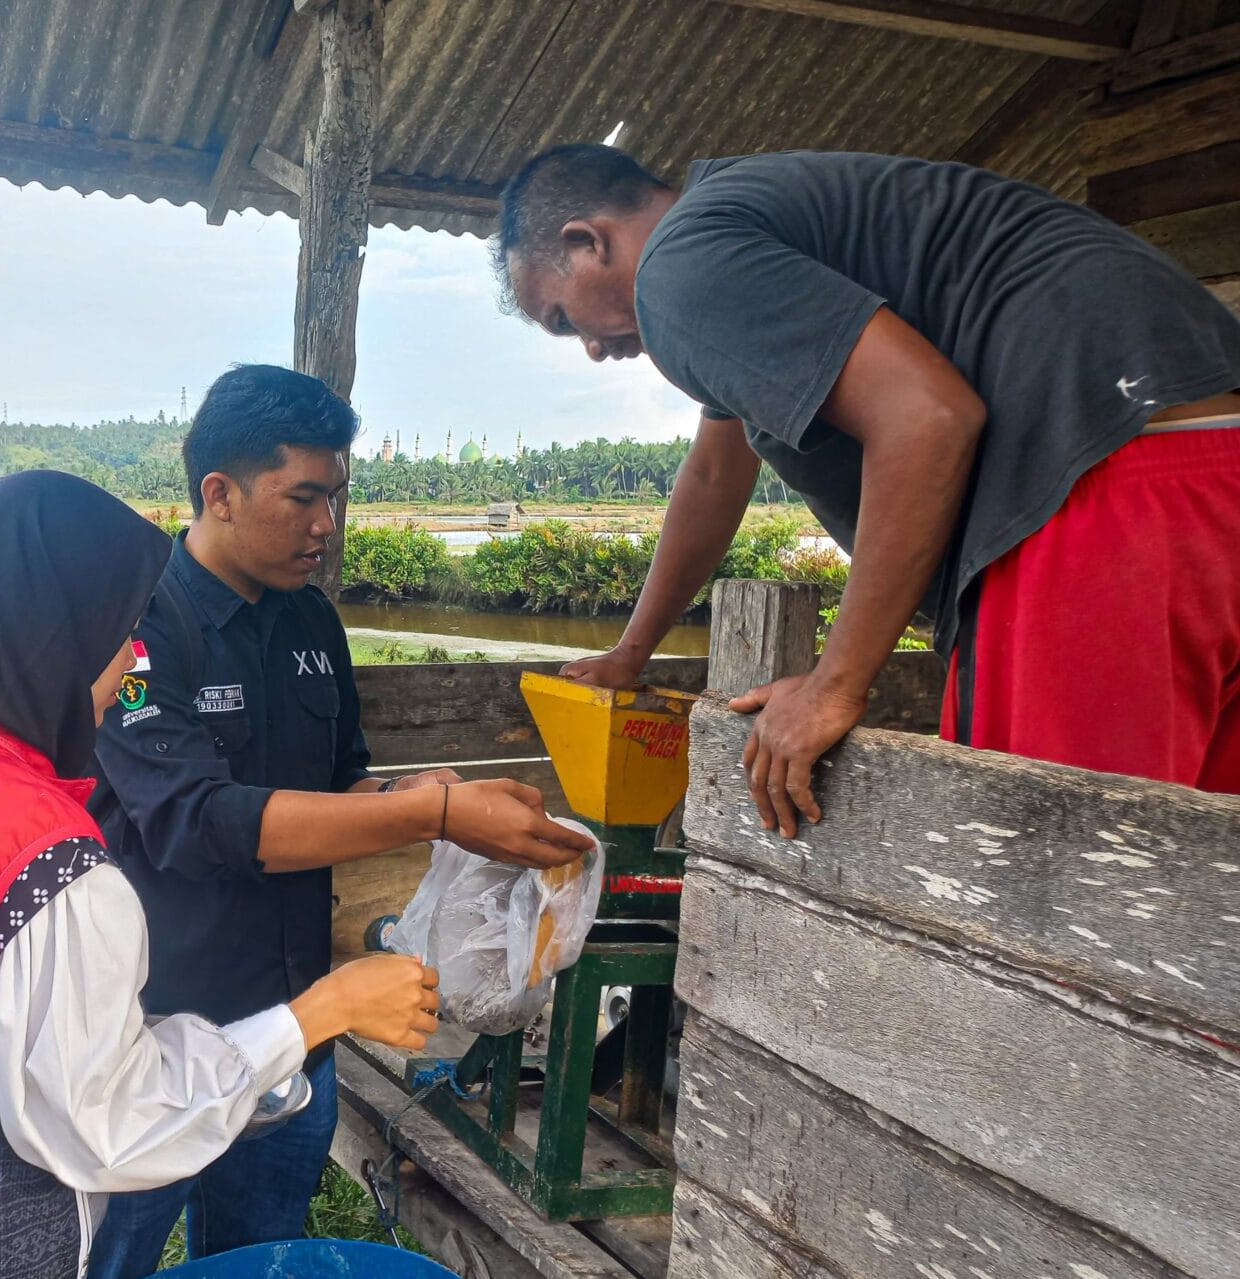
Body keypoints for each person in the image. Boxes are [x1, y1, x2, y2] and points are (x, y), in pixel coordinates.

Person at [0, 470, 444, 1278]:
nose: (136, 659)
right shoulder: (43, 862)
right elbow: (107, 1124)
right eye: (123, 631)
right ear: (48, 635)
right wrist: (324, 1010)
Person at [495, 145, 1240, 832]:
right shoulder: (746, 226)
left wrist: (835, 683)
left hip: (1108, 489)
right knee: (1204, 875)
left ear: (586, 242)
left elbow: (928, 416)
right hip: (1203, 463)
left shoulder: (679, 269)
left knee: (1056, 863)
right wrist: (631, 652)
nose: (593, 349)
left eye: (563, 318)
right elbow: (716, 473)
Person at [87, 365, 594, 1277]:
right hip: (150, 1035)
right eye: (304, 496)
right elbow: (193, 820)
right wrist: (430, 810)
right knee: (104, 1259)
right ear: (220, 493)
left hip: (295, 1027)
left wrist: (417, 797)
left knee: (261, 1258)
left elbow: (341, 783)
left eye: (336, 495)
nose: (327, 523)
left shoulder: (313, 623)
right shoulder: (141, 627)